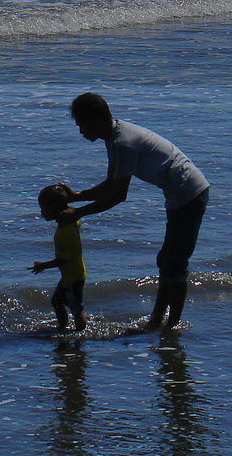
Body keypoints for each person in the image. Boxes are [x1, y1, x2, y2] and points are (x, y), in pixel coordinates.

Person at [58, 92, 209, 329]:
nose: (80, 132)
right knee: (166, 260)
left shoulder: (123, 142)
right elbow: (110, 183)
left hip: (189, 192)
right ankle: (158, 319)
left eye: (81, 125)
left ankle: (171, 326)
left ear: (96, 121)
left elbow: (119, 195)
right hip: (178, 194)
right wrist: (79, 196)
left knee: (175, 264)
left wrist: (79, 213)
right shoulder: (114, 137)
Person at [30, 184, 88, 332]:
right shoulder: (69, 221)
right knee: (58, 301)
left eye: (44, 209)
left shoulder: (65, 231)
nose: (42, 213)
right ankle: (64, 327)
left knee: (74, 306)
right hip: (72, 274)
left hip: (73, 276)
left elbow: (64, 259)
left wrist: (43, 265)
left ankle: (80, 331)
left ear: (54, 209)